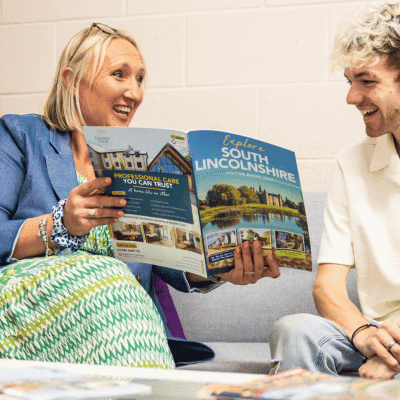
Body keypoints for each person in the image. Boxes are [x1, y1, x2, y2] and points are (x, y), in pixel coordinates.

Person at [0, 23, 280, 368]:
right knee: (111, 276)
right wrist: (60, 224)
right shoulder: (20, 136)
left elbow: (171, 259)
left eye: (140, 79)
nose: (135, 93)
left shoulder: (141, 161)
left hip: (116, 320)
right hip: (29, 310)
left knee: (116, 281)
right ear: (72, 80)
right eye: (120, 75)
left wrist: (222, 267)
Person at [269, 2, 400, 380]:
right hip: (376, 333)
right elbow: (328, 287)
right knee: (296, 330)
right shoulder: (351, 164)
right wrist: (365, 335)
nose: (352, 97)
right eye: (349, 82)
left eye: (367, 81)